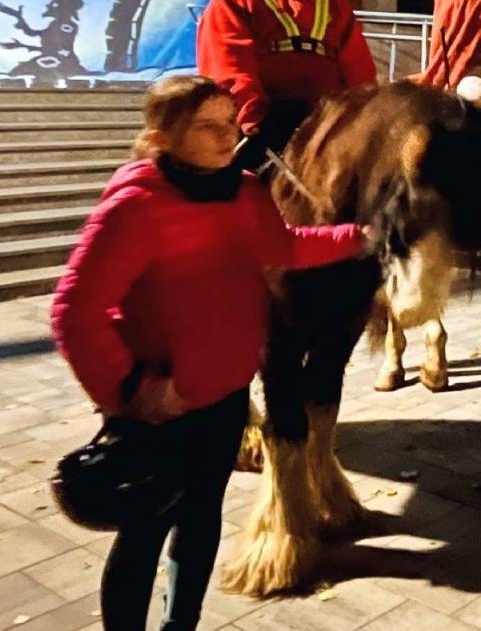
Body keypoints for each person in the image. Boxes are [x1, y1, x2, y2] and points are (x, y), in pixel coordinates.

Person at [50, 76, 364, 631]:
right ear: (164, 136)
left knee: (199, 522)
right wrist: (134, 391)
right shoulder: (137, 206)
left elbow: (283, 246)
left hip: (227, 398)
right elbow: (74, 311)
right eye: (209, 127)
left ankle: (181, 626)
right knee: (145, 534)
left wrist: (357, 236)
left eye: (232, 123)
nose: (229, 137)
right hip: (161, 410)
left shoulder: (244, 191)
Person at [196, 0, 376, 164]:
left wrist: (364, 116)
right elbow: (229, 63)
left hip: (329, 125)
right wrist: (252, 119)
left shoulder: (333, 3)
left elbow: (358, 68)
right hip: (268, 126)